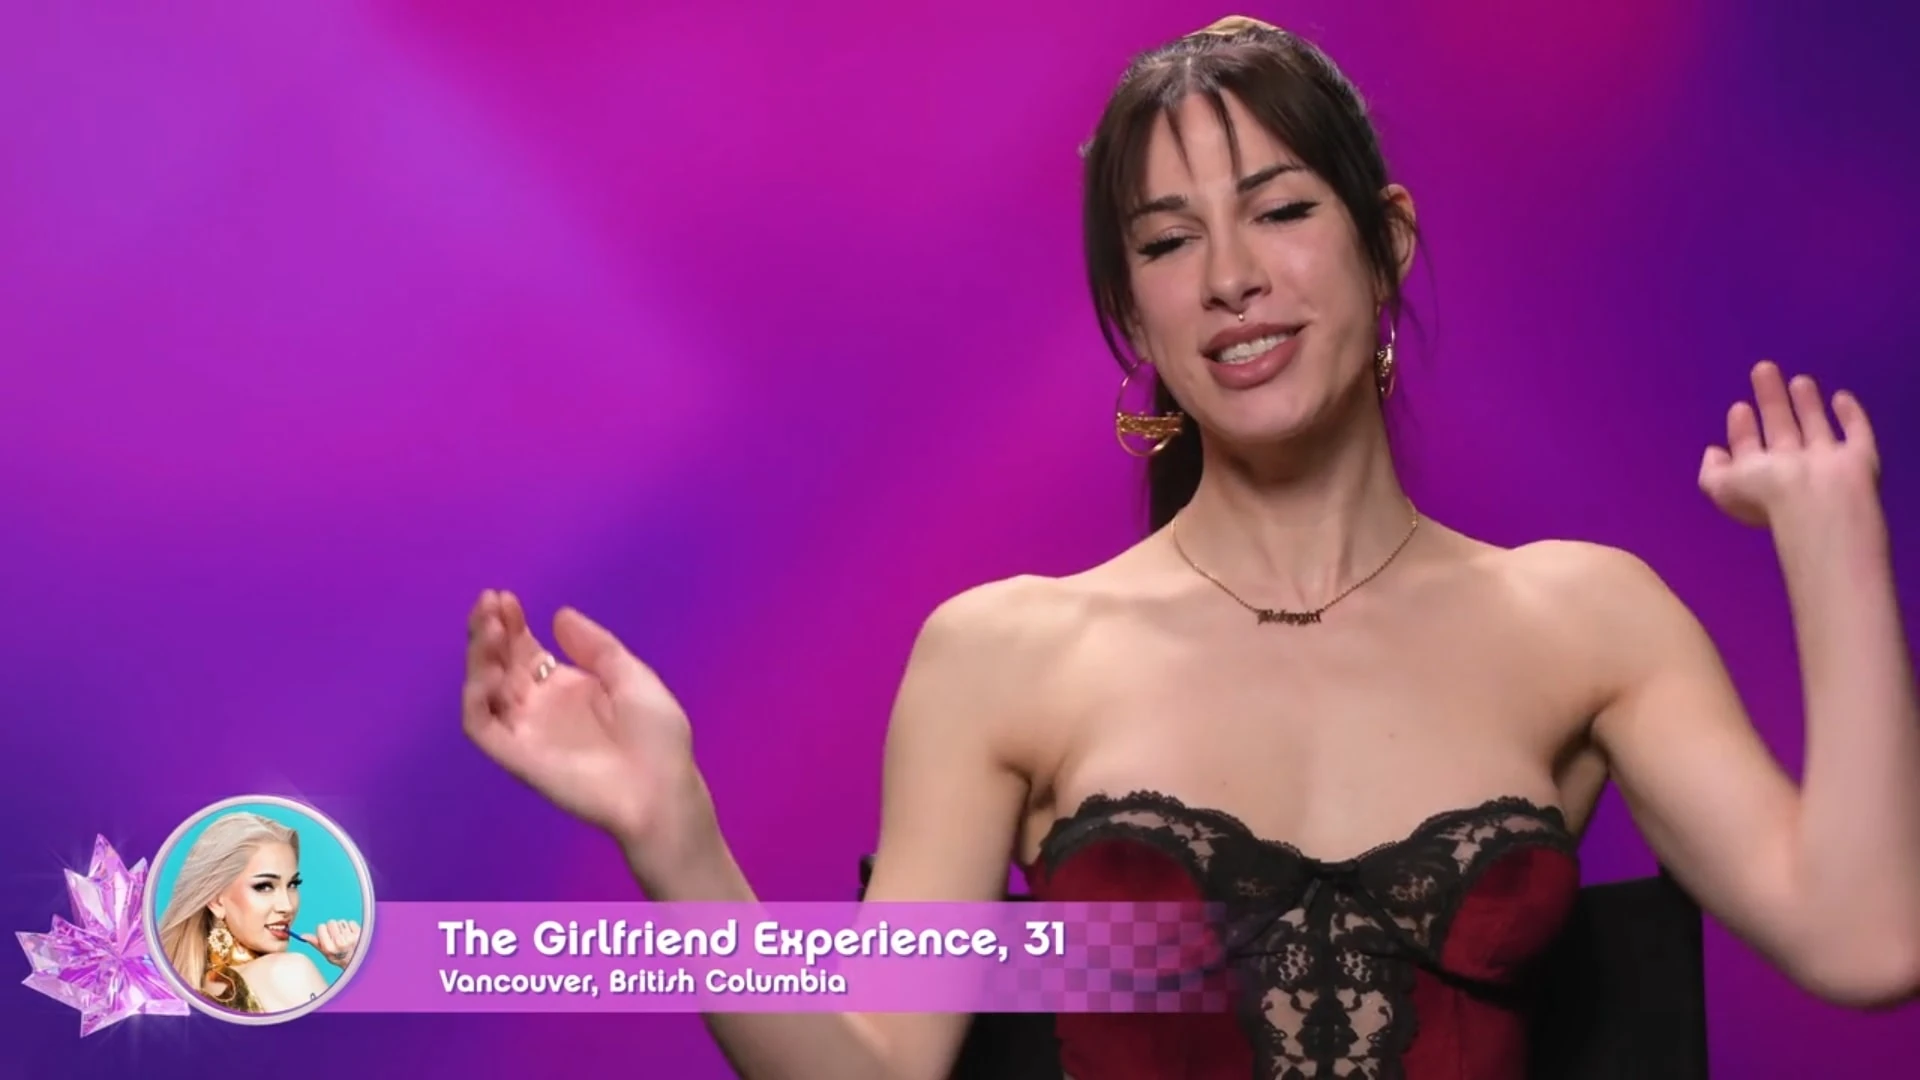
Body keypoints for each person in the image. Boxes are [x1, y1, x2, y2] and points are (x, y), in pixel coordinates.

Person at [460, 15, 1920, 1079]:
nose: (1230, 279)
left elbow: (1866, 943)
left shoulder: (1582, 619)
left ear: (1388, 242)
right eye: (1167, 244)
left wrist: (1834, 544)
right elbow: (875, 1064)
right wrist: (679, 840)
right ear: (1135, 316)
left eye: (1280, 212)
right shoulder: (1005, 652)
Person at [155, 812, 364, 1014]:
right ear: (216, 901)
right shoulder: (288, 972)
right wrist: (360, 966)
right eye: (264, 886)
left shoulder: (190, 992)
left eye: (293, 884)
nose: (287, 906)